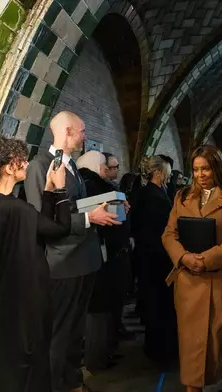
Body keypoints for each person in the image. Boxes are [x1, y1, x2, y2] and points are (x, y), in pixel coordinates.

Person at [0, 130, 70, 392]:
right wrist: (62, 188)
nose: (27, 163)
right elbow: (59, 229)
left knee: (15, 365)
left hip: (7, 298)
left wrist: (48, 191)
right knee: (34, 364)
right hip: (29, 298)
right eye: (22, 159)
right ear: (10, 167)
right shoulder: (16, 209)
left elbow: (38, 230)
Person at [24, 111, 120, 392]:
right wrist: (91, 218)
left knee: (76, 331)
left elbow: (72, 206)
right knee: (60, 334)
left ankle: (73, 382)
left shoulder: (73, 166)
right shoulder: (39, 166)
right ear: (67, 131)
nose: (85, 136)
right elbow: (44, 220)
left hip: (83, 260)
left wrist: (111, 204)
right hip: (63, 263)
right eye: (82, 131)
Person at [162, 145, 222, 392]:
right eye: (196, 169)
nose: (200, 174)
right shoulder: (182, 196)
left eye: (206, 168)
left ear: (217, 167)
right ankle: (193, 387)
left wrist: (205, 259)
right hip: (190, 281)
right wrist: (183, 258)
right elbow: (169, 233)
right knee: (192, 343)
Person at [76, 151, 132, 371]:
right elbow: (79, 210)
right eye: (104, 165)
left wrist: (119, 205)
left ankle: (103, 352)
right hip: (97, 256)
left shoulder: (96, 184)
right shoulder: (90, 184)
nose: (107, 169)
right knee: (98, 311)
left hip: (104, 254)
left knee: (104, 310)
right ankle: (96, 359)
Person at [130, 155, 178, 365]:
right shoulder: (154, 196)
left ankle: (156, 346)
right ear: (158, 172)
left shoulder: (149, 192)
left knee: (154, 304)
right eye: (167, 171)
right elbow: (159, 228)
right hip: (156, 260)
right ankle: (160, 350)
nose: (168, 175)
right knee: (159, 305)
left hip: (149, 257)